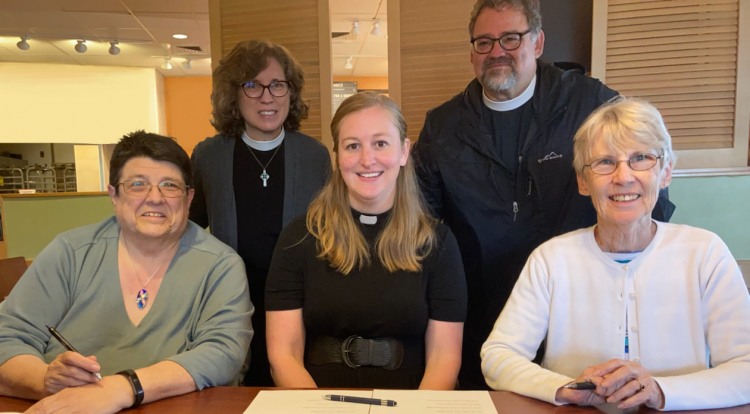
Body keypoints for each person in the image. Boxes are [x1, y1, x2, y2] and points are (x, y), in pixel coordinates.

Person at [411, 0, 675, 389]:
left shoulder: (590, 103)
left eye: (511, 38)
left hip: (580, 308)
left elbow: (643, 191)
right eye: (484, 42)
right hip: (481, 310)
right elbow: (423, 223)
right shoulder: (443, 127)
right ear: (472, 53)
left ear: (537, 43)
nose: (497, 51)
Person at [481, 97, 750, 410]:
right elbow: (498, 357)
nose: (623, 177)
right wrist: (563, 387)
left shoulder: (705, 254)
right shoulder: (551, 259)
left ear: (665, 173)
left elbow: (745, 366)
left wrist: (660, 391)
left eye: (641, 158)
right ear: (583, 181)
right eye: (605, 162)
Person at [0, 131, 253, 414]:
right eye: (137, 185)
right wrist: (46, 381)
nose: (155, 198)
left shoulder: (221, 265)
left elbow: (224, 353)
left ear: (188, 197)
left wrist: (124, 387)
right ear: (114, 195)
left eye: (169, 186)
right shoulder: (69, 253)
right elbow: (7, 337)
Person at [265, 93, 467, 389]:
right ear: (337, 156)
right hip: (315, 400)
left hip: (411, 402)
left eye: (380, 143)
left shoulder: (438, 244)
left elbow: (444, 360)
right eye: (352, 146)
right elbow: (283, 356)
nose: (366, 159)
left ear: (403, 151)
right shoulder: (298, 239)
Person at [190, 39, 331, 386]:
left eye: (277, 85)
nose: (266, 97)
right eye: (252, 85)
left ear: (290, 93)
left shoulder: (315, 156)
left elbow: (332, 235)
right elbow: (191, 231)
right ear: (234, 95)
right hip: (231, 303)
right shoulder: (208, 156)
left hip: (299, 304)